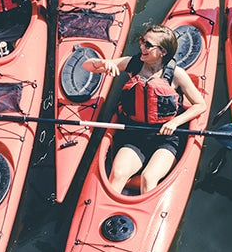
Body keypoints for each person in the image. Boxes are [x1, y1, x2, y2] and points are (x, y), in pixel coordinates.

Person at [80, 25, 207, 194]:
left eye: (148, 45)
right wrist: (102, 63)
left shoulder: (177, 74)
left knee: (148, 178)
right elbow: (86, 67)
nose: (141, 47)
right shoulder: (133, 63)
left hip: (166, 137)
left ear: (162, 52)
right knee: (117, 174)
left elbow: (200, 105)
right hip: (134, 133)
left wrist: (176, 122)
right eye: (142, 41)